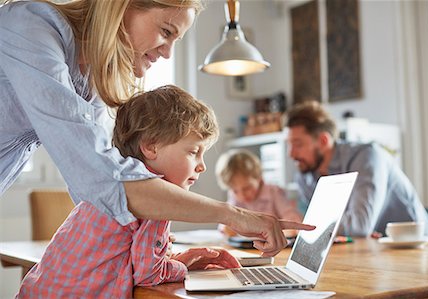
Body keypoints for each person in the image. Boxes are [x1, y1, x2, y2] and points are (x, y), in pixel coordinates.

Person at [0, 0, 314, 256]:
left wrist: (164, 257)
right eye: (166, 31)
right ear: (121, 6)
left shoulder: (89, 81)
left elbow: (102, 183)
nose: (168, 52)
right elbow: (101, 178)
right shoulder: (30, 26)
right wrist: (233, 213)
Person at [17, 85, 242, 297]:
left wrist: (177, 259)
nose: (202, 165)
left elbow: (130, 260)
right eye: (193, 151)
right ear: (151, 146)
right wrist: (181, 267)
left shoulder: (110, 186)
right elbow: (149, 275)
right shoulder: (156, 200)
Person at [285, 101, 428, 240]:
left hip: (415, 248)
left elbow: (359, 227)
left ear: (324, 141)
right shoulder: (305, 176)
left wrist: (311, 225)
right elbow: (313, 226)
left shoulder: (367, 157)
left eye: (298, 144)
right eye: (289, 145)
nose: (291, 154)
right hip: (370, 250)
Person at [215, 149, 302, 238]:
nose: (242, 195)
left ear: (259, 177)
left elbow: (291, 218)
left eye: (247, 188)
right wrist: (227, 228)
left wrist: (289, 228)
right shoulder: (235, 198)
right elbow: (225, 223)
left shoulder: (273, 192)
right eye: (235, 190)